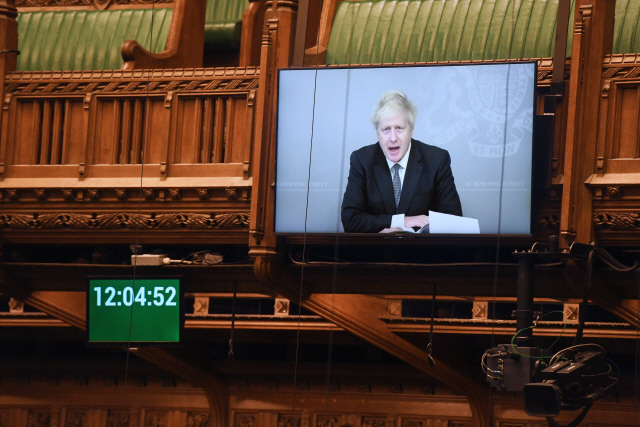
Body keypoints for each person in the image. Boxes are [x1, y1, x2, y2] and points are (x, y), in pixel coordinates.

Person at [341, 91, 462, 233]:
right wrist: (399, 221)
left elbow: (453, 220)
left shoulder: (437, 160)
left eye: (399, 128)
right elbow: (350, 219)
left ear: (411, 130)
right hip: (376, 252)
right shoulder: (362, 160)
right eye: (386, 129)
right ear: (377, 133)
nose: (393, 138)